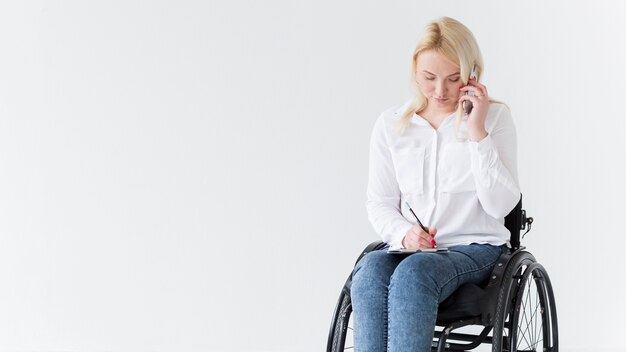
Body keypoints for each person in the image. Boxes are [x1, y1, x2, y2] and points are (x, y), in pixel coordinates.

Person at [350, 17, 520, 351]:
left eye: (453, 79)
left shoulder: (495, 120)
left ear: (472, 75)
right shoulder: (390, 126)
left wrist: (477, 132)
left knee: (414, 274)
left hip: (477, 249)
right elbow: (380, 202)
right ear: (415, 71)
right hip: (411, 250)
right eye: (429, 78)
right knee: (369, 270)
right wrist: (403, 233)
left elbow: (501, 205)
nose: (440, 91)